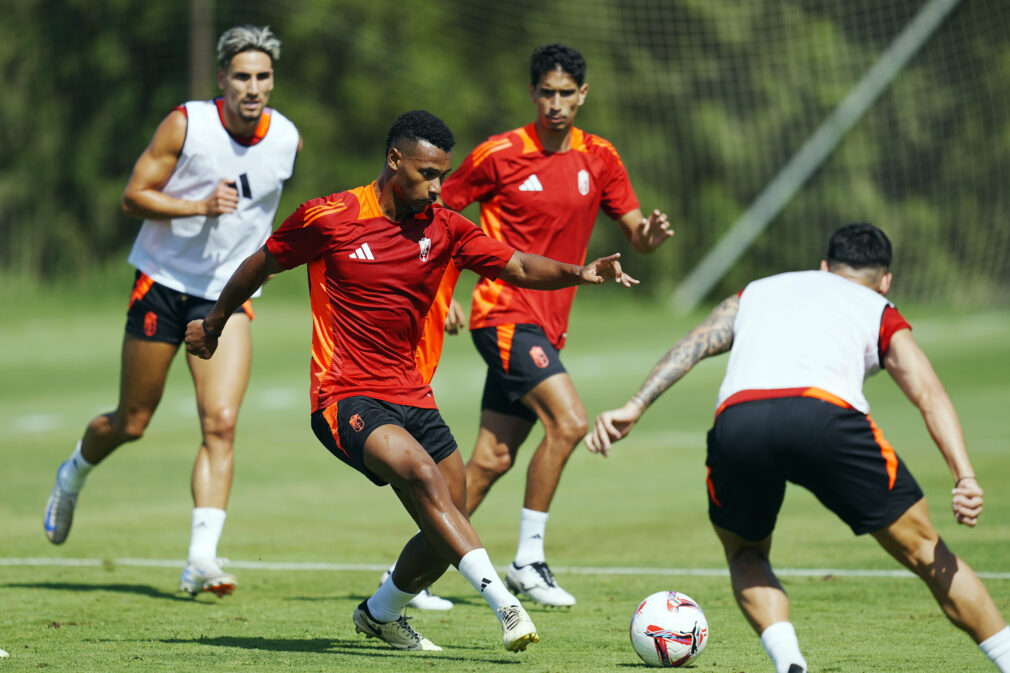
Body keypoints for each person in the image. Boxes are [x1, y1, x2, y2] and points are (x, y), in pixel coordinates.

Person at [184, 110, 639, 652]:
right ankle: (507, 606)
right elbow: (261, 263)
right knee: (423, 476)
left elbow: (515, 266)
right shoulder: (329, 217)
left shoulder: (444, 227)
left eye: (443, 175)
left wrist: (578, 272)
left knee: (450, 514)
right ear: (395, 160)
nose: (438, 187)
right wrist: (214, 325)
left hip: (413, 395)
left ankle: (381, 612)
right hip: (343, 396)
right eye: (427, 174)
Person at [586, 223, 1010, 673]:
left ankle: (790, 662)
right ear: (885, 279)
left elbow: (696, 342)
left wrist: (636, 404)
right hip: (826, 416)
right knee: (928, 553)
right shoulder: (879, 306)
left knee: (747, 554)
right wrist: (964, 476)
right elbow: (929, 394)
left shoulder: (759, 291)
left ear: (824, 267)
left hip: (741, 419)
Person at [405, 42, 673, 610]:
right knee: (570, 421)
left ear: (583, 95)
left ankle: (406, 578)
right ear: (532, 94)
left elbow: (633, 230)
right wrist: (438, 294)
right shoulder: (499, 154)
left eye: (566, 94)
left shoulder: (599, 156)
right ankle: (528, 558)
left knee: (492, 460)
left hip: (548, 326)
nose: (556, 104)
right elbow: (436, 212)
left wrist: (647, 236)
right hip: (502, 313)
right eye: (546, 93)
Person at [43, 25, 302, 599]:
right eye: (241, 76)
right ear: (221, 79)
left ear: (272, 81)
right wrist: (197, 205)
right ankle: (73, 473)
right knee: (132, 421)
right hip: (163, 283)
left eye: (262, 77)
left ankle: (200, 560)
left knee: (222, 422)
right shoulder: (188, 123)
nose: (252, 87)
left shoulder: (286, 137)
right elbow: (133, 195)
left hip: (225, 295)